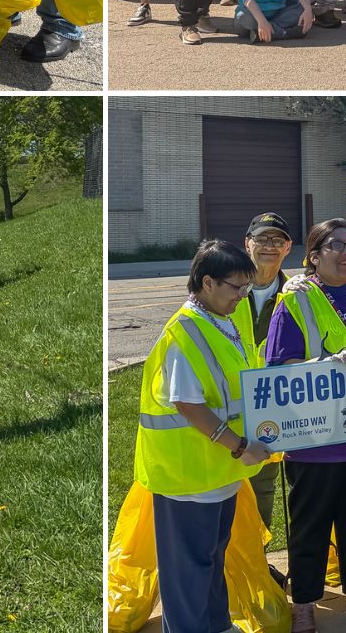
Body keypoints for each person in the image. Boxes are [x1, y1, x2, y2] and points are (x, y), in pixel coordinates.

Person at [132, 240, 273, 633]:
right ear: (207, 282)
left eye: (247, 287)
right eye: (236, 287)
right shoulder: (184, 332)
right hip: (187, 476)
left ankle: (217, 625)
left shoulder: (223, 321)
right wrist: (240, 445)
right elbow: (189, 406)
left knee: (212, 557)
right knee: (188, 568)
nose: (242, 296)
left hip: (217, 474)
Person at [269, 219, 346, 627]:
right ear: (314, 257)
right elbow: (279, 367)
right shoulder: (296, 301)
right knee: (311, 525)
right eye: (334, 245)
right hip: (315, 440)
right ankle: (303, 599)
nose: (345, 252)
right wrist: (321, 365)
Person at [241, 212, 293, 571]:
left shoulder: (296, 293)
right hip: (229, 405)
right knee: (229, 489)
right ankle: (233, 560)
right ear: (248, 244)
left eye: (277, 241)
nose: (269, 247)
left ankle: (257, 562)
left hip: (277, 408)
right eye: (262, 240)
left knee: (264, 486)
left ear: (288, 248)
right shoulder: (226, 288)